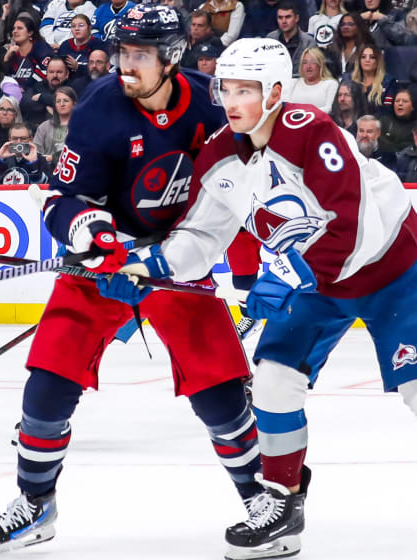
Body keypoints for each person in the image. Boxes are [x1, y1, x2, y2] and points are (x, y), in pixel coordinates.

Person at [111, 36, 417, 559]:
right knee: (274, 379)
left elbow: (352, 221)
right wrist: (152, 267)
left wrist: (292, 274)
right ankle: (281, 503)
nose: (231, 102)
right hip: (315, 283)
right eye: (225, 89)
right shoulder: (219, 154)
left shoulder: (311, 132)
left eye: (245, 90)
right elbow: (202, 237)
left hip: (393, 268)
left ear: (275, 91)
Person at [0, 4, 261, 552]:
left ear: (171, 59)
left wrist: (172, 260)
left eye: (140, 55)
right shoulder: (100, 108)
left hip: (176, 259)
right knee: (47, 381)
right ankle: (34, 504)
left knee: (219, 389)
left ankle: (261, 499)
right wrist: (92, 235)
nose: (126, 65)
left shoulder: (213, 110)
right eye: (123, 53)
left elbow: (232, 198)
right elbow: (61, 201)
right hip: (106, 263)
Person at [20, 56, 72, 132]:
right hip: (36, 130)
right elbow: (24, 104)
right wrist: (50, 107)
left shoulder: (72, 88)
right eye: (51, 72)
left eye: (59, 72)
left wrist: (42, 97)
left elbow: (71, 108)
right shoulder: (37, 86)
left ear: (67, 74)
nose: (55, 75)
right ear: (47, 73)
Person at [2, 16, 54, 92]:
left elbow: (45, 73)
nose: (15, 31)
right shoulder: (11, 52)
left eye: (19, 28)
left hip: (36, 92)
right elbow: (4, 77)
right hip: (12, 92)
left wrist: (24, 88)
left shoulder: (41, 48)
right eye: (14, 28)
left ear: (30, 33)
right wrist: (6, 58)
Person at [266, 0, 315, 77]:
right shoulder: (270, 39)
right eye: (280, 18)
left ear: (296, 18)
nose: (284, 21)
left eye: (288, 17)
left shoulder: (308, 42)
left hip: (300, 83)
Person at [33, 85, 77, 170]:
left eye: (66, 101)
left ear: (74, 103)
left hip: (74, 171)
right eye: (58, 101)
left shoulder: (82, 126)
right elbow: (36, 153)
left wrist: (54, 158)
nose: (62, 104)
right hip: (48, 171)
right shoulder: (44, 127)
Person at [347, 43, 397, 115]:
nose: (367, 60)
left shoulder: (388, 82)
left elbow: (388, 111)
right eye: (363, 57)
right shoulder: (348, 79)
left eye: (372, 57)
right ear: (359, 61)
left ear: (377, 61)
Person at [285, 46, 338, 113]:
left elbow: (329, 108)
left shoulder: (331, 84)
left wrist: (305, 114)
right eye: (305, 62)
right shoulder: (293, 83)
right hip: (294, 121)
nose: (308, 66)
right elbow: (285, 106)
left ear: (320, 65)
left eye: (313, 62)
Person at [325, 12, 374, 79]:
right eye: (342, 24)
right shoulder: (332, 49)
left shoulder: (367, 49)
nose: (345, 27)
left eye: (350, 24)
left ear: (359, 26)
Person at [379, 87, 416, 154]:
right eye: (397, 101)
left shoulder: (415, 127)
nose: (400, 104)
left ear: (413, 106)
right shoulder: (384, 122)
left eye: (405, 101)